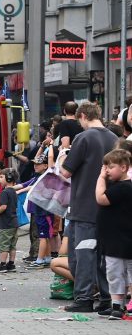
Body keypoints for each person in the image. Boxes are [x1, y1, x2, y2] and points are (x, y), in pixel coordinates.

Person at [59, 101, 118, 312]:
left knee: (82, 255)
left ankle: (83, 298)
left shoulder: (83, 138)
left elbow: (66, 172)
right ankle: (107, 299)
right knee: (103, 256)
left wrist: (62, 157)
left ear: (83, 115)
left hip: (83, 205)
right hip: (107, 206)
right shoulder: (113, 138)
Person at [94, 149, 132, 319]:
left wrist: (101, 178)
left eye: (110, 167)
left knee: (119, 272)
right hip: (115, 239)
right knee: (115, 272)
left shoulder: (124, 187)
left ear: (123, 168)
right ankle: (118, 304)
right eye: (105, 167)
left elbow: (101, 198)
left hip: (120, 239)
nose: (106, 170)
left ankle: (120, 305)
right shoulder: (118, 186)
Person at [0, 168, 20, 273]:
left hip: (6, 223)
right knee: (12, 245)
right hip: (14, 222)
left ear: (8, 178)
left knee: (4, 245)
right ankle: (11, 264)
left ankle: (3, 264)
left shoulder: (5, 192)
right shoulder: (14, 191)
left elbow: (3, 207)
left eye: (1, 177)